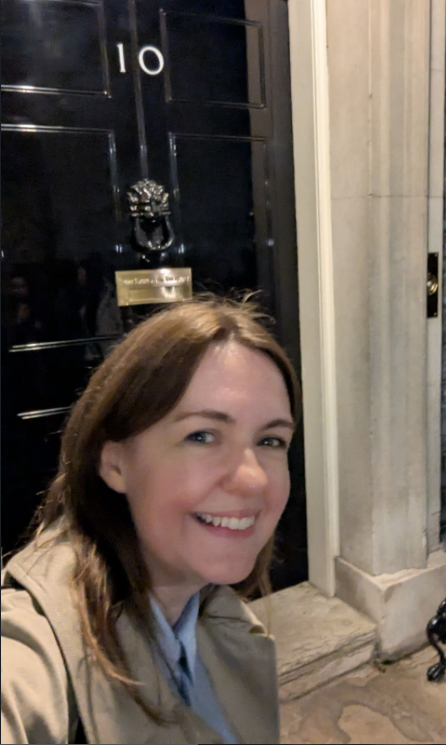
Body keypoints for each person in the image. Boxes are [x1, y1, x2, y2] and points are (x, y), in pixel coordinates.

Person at [1, 296, 300, 745]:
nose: (254, 478)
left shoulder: (210, 610)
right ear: (116, 464)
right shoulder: (37, 648)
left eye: (271, 441)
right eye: (201, 435)